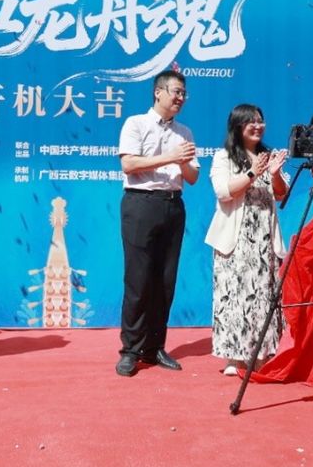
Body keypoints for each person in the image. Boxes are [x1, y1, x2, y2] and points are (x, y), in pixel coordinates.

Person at [115, 69, 200, 377]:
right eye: (176, 92)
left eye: (184, 94)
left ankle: (154, 347)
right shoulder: (136, 123)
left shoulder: (185, 132)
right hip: (141, 204)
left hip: (173, 206)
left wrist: (183, 162)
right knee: (138, 280)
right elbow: (129, 164)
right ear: (158, 92)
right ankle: (130, 350)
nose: (180, 98)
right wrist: (170, 157)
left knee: (165, 281)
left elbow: (193, 176)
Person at [204, 104, 289, 376]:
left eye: (260, 121)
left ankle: (262, 356)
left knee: (263, 297)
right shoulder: (224, 157)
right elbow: (224, 192)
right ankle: (234, 358)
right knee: (233, 297)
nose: (257, 126)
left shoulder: (269, 156)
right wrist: (253, 172)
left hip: (264, 238)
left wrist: (274, 174)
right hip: (235, 238)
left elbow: (282, 194)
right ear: (237, 126)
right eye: (250, 121)